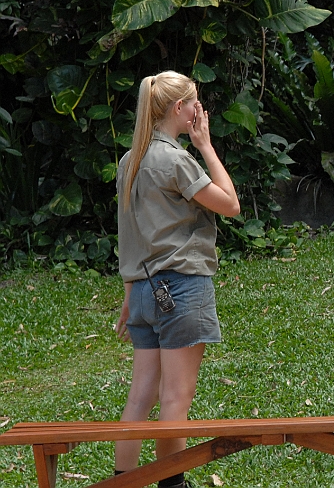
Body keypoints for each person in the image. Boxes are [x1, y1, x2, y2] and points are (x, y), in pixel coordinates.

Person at [113, 71, 240, 488]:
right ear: (179, 108)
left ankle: (121, 482)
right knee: (174, 399)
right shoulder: (176, 160)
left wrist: (130, 295)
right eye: (195, 102)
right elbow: (230, 204)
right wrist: (206, 146)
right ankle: (172, 484)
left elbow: (129, 236)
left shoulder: (129, 161)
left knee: (140, 397)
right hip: (182, 287)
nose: (199, 110)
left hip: (143, 289)